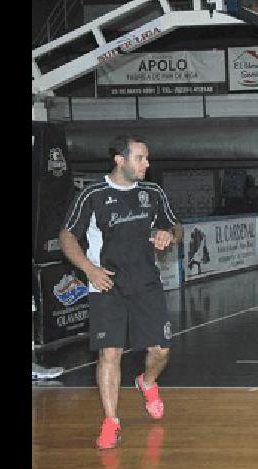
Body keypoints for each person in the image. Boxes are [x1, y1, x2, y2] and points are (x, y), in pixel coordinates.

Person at [59, 134, 183, 450]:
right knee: (109, 353)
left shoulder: (153, 193)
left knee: (161, 350)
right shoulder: (93, 195)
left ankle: (147, 382)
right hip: (107, 284)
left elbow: (175, 226)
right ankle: (111, 421)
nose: (147, 164)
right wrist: (90, 270)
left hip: (146, 283)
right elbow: (67, 236)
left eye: (146, 158)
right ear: (120, 159)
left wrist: (169, 234)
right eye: (141, 158)